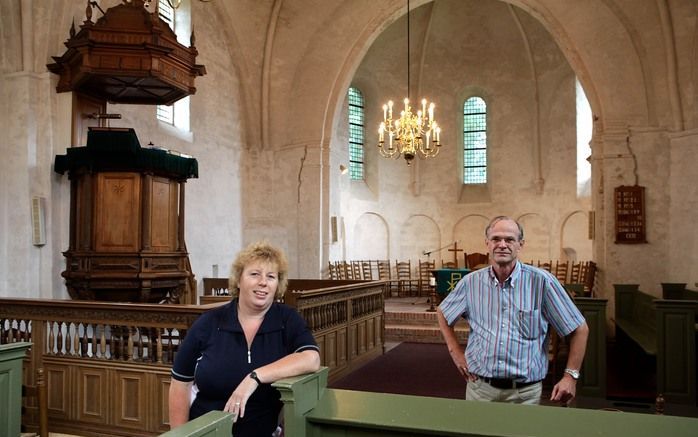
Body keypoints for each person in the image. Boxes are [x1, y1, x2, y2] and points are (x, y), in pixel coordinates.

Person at [169, 241, 321, 436]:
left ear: (277, 285)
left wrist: (254, 377)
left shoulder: (287, 320)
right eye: (255, 274)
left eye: (271, 276)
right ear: (239, 280)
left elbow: (311, 358)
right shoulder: (209, 323)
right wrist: (180, 434)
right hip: (208, 431)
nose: (263, 282)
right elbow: (180, 383)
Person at [437, 216, 589, 405]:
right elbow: (443, 313)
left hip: (525, 394)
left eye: (509, 239)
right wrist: (456, 352)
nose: (502, 244)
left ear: (520, 245)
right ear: (487, 244)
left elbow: (579, 329)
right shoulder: (471, 283)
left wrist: (571, 376)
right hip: (480, 389)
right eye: (496, 239)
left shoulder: (542, 282)